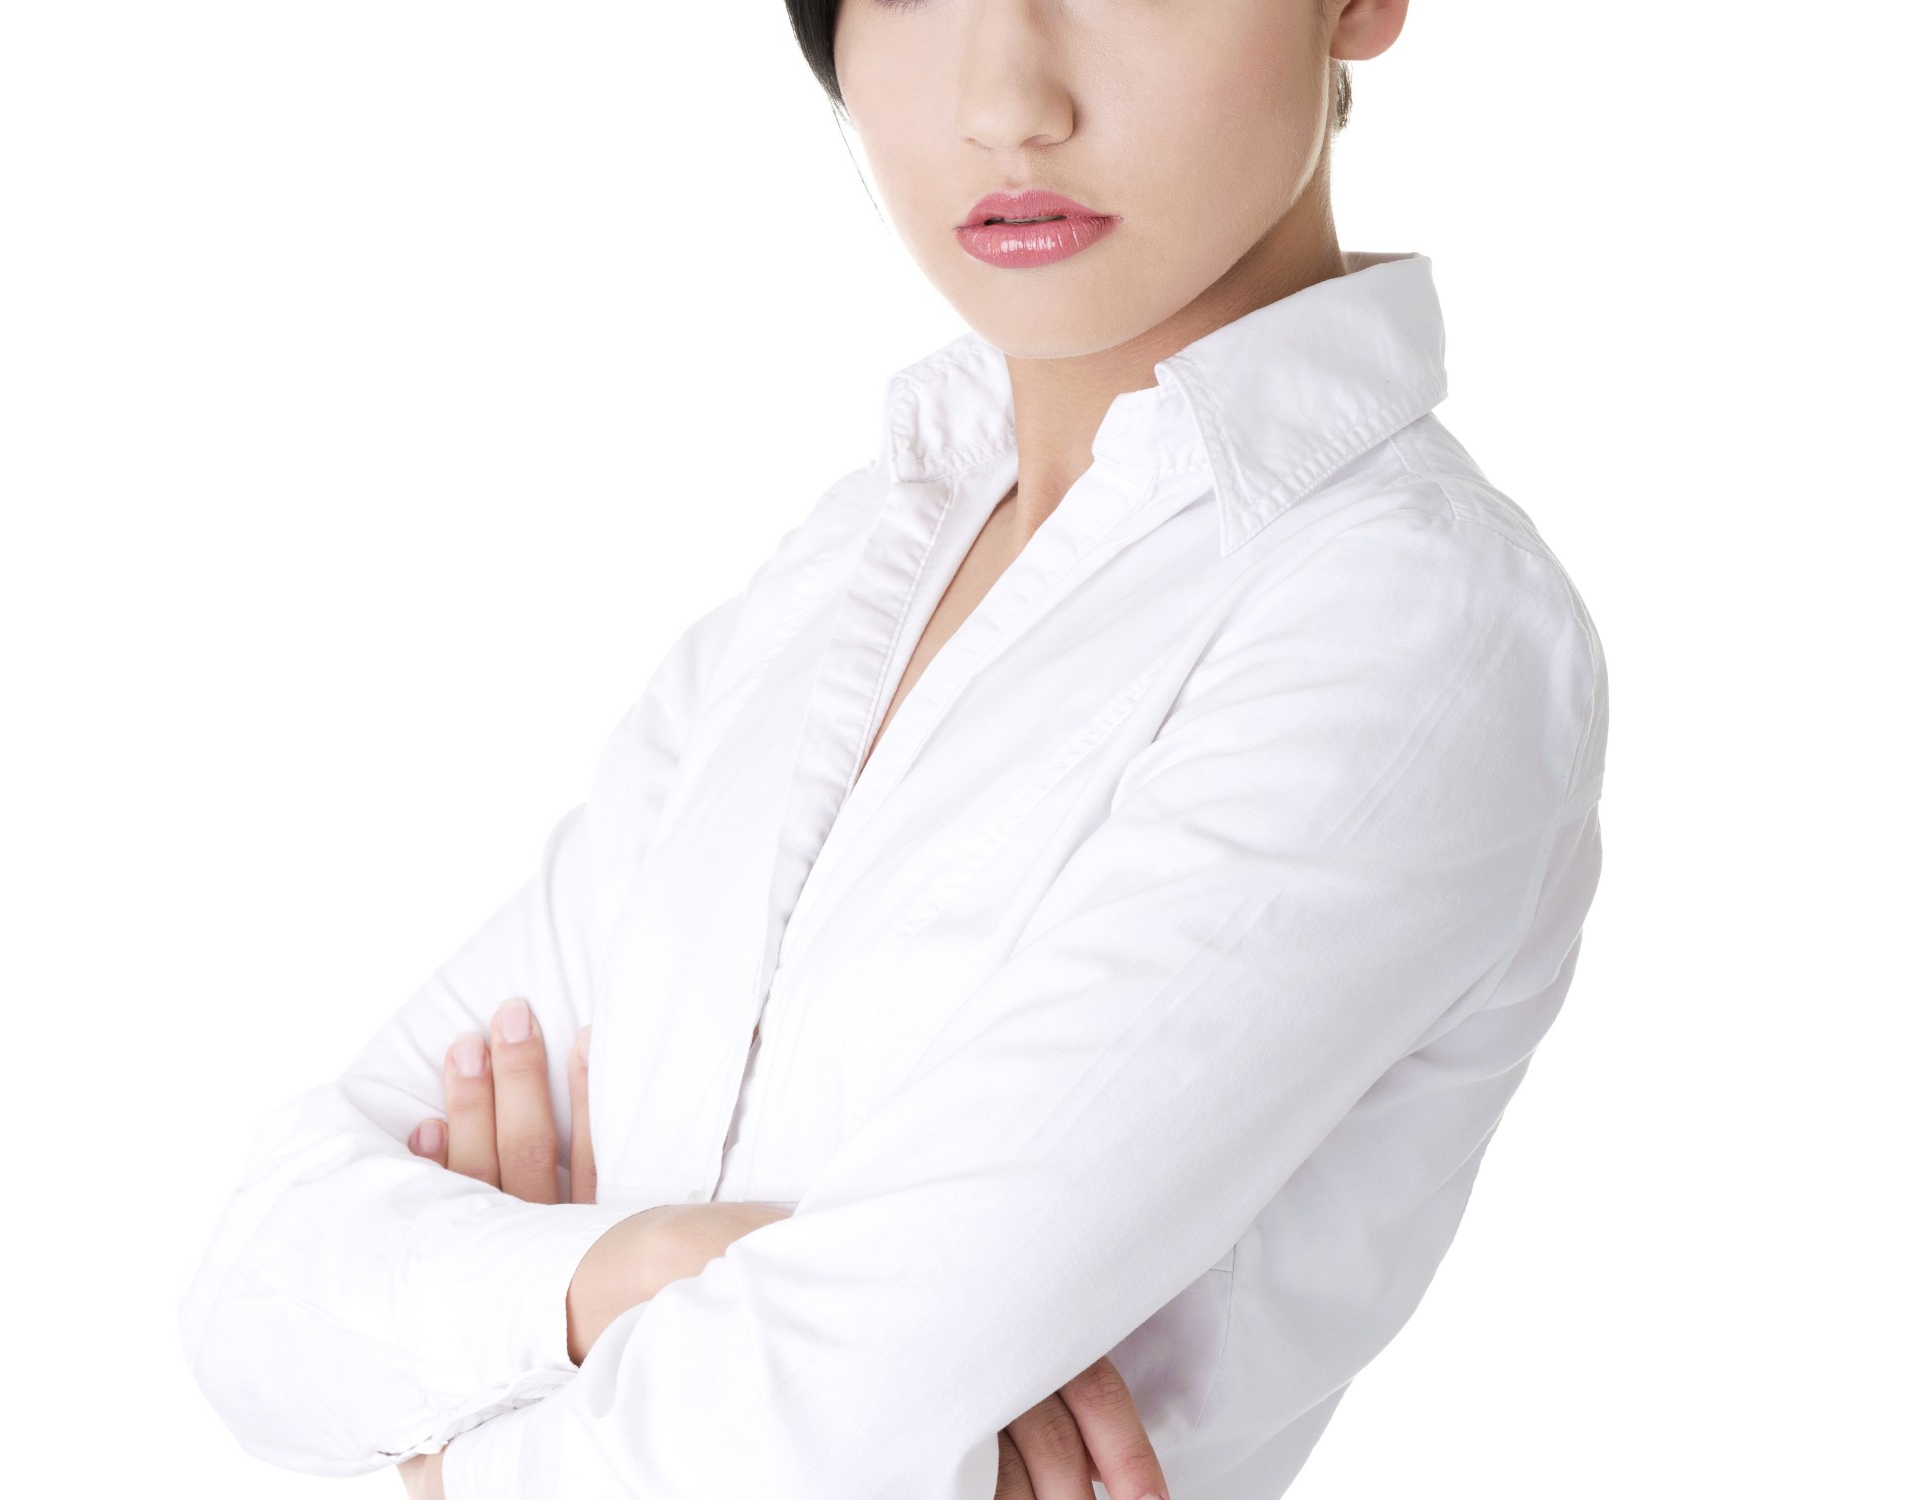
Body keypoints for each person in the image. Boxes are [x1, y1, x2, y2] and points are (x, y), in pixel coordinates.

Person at [179, 1, 1610, 1496]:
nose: (1008, 101)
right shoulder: (855, 556)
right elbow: (255, 1287)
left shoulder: (1411, 621)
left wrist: (442, 1437)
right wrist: (627, 1269)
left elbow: (809, 1435)